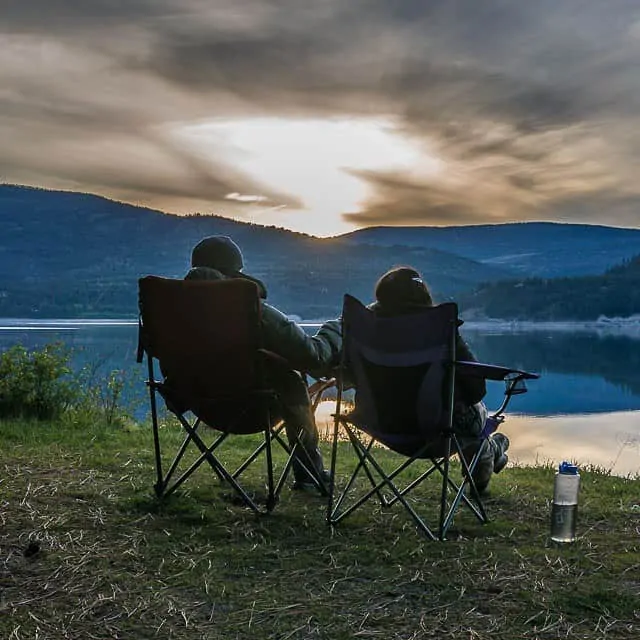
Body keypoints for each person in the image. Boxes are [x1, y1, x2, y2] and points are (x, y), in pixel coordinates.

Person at [185, 235, 341, 492]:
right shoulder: (249, 308)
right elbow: (313, 357)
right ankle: (309, 475)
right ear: (235, 272)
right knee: (293, 377)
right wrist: (336, 330)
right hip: (253, 405)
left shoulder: (172, 309)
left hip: (197, 400)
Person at [369, 266, 509, 494]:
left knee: (458, 409)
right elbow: (476, 389)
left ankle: (490, 452)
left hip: (380, 422)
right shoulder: (440, 328)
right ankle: (489, 453)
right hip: (436, 429)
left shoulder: (366, 329)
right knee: (467, 410)